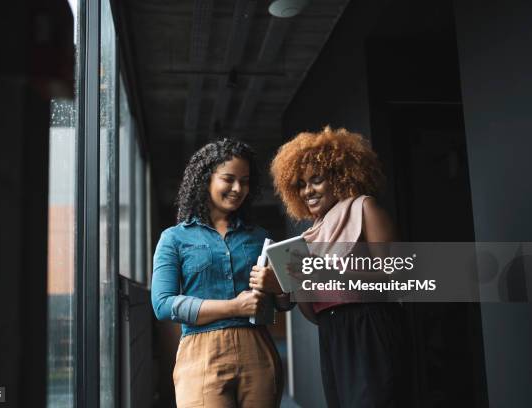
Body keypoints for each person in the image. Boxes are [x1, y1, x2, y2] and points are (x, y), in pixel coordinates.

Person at [252, 126, 408, 407]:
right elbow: (313, 310)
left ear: (338, 177)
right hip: (331, 330)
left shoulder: (364, 208)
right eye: (300, 184)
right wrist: (288, 283)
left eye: (316, 180)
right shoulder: (310, 235)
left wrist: (319, 271)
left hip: (369, 323)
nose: (307, 190)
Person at [151, 139, 285, 408]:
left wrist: (277, 288)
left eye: (245, 181)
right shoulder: (174, 238)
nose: (238, 189)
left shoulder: (261, 237)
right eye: (229, 179)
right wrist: (234, 306)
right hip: (200, 354)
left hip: (257, 350)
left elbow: (285, 304)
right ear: (206, 179)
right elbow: (162, 305)